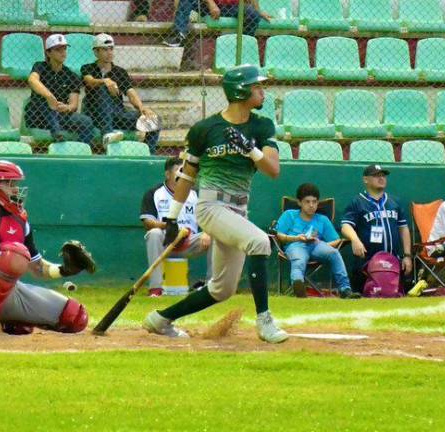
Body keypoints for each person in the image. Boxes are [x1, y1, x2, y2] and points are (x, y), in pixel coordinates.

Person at [142, 64, 288, 343]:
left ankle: (160, 319)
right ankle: (265, 321)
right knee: (260, 242)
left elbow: (273, 170)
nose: (262, 91)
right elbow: (187, 175)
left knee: (222, 289)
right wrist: (172, 218)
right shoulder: (205, 129)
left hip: (238, 209)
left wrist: (250, 148)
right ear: (240, 90)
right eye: (257, 86)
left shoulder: (261, 125)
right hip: (211, 207)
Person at [0, 160, 95, 336]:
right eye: (9, 183)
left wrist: (64, 270)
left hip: (10, 289)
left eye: (15, 183)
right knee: (11, 252)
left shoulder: (19, 219)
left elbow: (36, 267)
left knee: (75, 317)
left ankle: (13, 321)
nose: (15, 189)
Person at [140, 157, 211, 297]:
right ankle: (156, 288)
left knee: (217, 236)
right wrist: (167, 225)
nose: (183, 174)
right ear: (168, 174)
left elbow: (209, 217)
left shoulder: (196, 193)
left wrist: (207, 232)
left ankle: (212, 286)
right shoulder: (154, 193)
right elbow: (148, 222)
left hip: (190, 242)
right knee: (154, 233)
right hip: (165, 243)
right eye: (179, 171)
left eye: (186, 171)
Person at [276, 183, 360, 299]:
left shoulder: (322, 219)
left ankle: (345, 290)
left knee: (334, 253)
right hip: (295, 245)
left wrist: (320, 243)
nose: (311, 205)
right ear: (299, 202)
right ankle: (298, 286)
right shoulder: (289, 215)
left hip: (316, 246)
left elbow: (336, 240)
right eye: (307, 202)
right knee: (299, 260)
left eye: (314, 202)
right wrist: (296, 238)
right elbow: (277, 234)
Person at [81, 34, 160, 152]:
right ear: (96, 52)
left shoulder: (120, 72)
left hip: (118, 115)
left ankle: (148, 154)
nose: (109, 52)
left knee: (153, 120)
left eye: (111, 49)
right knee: (103, 88)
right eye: (105, 49)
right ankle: (107, 135)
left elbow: (131, 93)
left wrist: (142, 109)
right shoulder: (87, 68)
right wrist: (104, 81)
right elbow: (89, 81)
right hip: (95, 115)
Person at [341, 165, 413, 293]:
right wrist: (355, 239)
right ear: (365, 180)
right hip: (367, 263)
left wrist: (407, 255)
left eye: (383, 175)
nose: (381, 178)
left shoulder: (394, 201)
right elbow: (346, 225)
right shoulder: (357, 202)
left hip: (393, 262)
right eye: (376, 175)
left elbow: (403, 228)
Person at [25, 34, 95, 145]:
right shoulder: (40, 66)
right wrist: (49, 97)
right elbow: (32, 80)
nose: (63, 52)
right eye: (58, 49)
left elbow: (74, 105)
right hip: (38, 116)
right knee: (47, 103)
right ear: (48, 53)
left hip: (61, 116)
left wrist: (66, 108)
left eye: (64, 48)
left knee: (86, 121)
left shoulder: (71, 75)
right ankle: (57, 133)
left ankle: (82, 150)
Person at [164, 0, 273, 47]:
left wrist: (259, 11)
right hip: (209, 6)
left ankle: (245, 44)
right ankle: (179, 34)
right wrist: (211, 3)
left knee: (252, 14)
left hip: (233, 7)